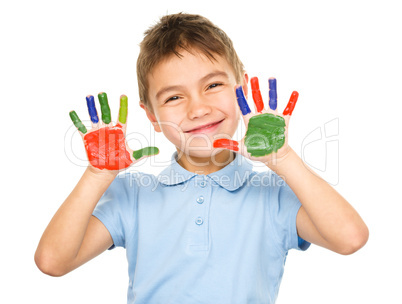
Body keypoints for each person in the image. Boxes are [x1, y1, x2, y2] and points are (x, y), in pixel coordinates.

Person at [35, 13, 369, 303]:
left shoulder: (272, 194)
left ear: (241, 86)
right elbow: (52, 262)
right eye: (175, 96)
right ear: (151, 117)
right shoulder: (133, 196)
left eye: (213, 86)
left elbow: (350, 238)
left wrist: (282, 158)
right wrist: (97, 175)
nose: (198, 109)